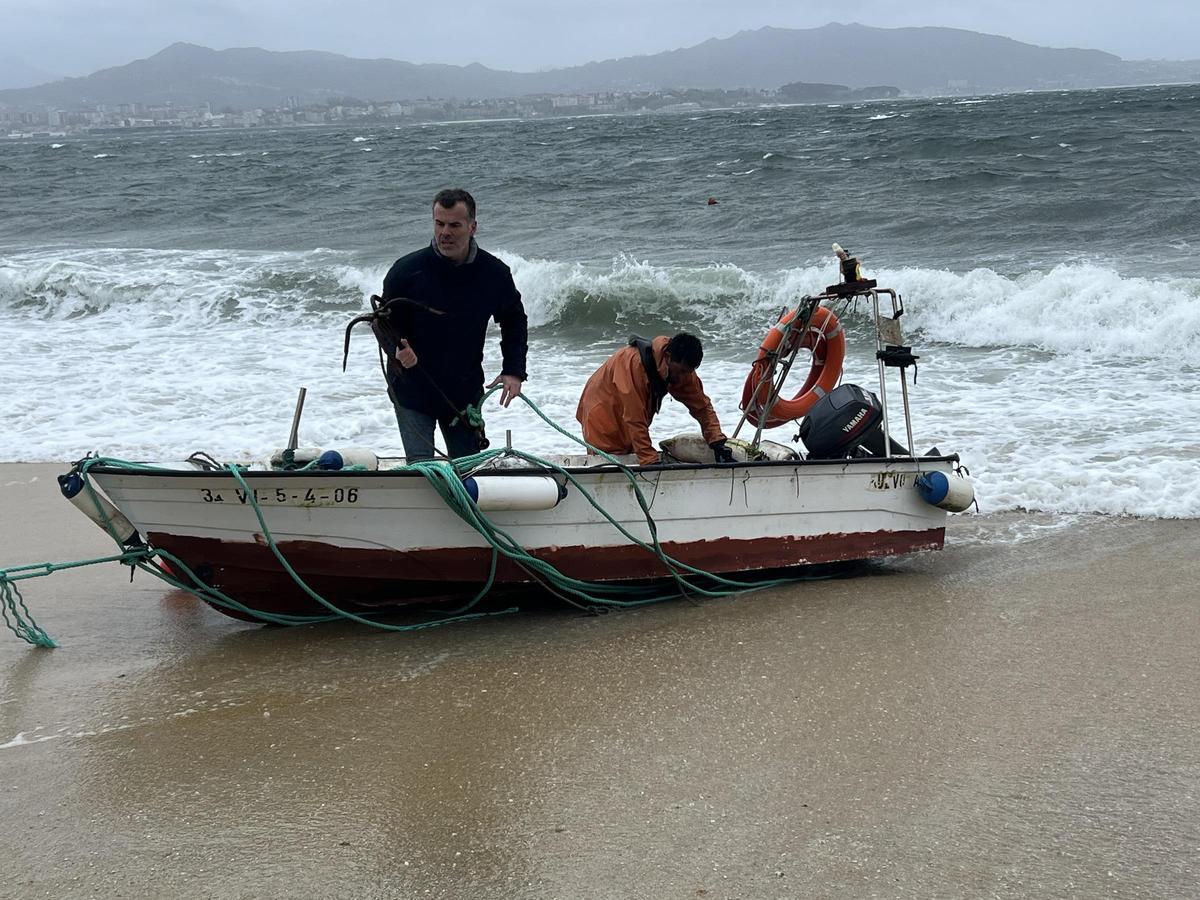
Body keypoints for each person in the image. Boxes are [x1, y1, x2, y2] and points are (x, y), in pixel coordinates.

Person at [374, 188, 528, 461]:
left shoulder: (494, 274)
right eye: (439, 223)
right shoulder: (407, 271)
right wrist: (396, 350)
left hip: (462, 393)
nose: (445, 232)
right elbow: (382, 324)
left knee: (468, 474)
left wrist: (513, 370)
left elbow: (514, 320)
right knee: (424, 473)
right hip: (412, 391)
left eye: (454, 225)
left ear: (473, 227)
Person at [576, 332, 734, 466]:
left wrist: (717, 441)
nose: (683, 378)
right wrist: (650, 461)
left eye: (687, 372)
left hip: (629, 419)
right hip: (600, 412)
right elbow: (634, 418)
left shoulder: (680, 370)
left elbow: (702, 406)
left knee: (633, 453)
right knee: (610, 462)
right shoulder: (633, 365)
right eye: (680, 372)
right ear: (668, 357)